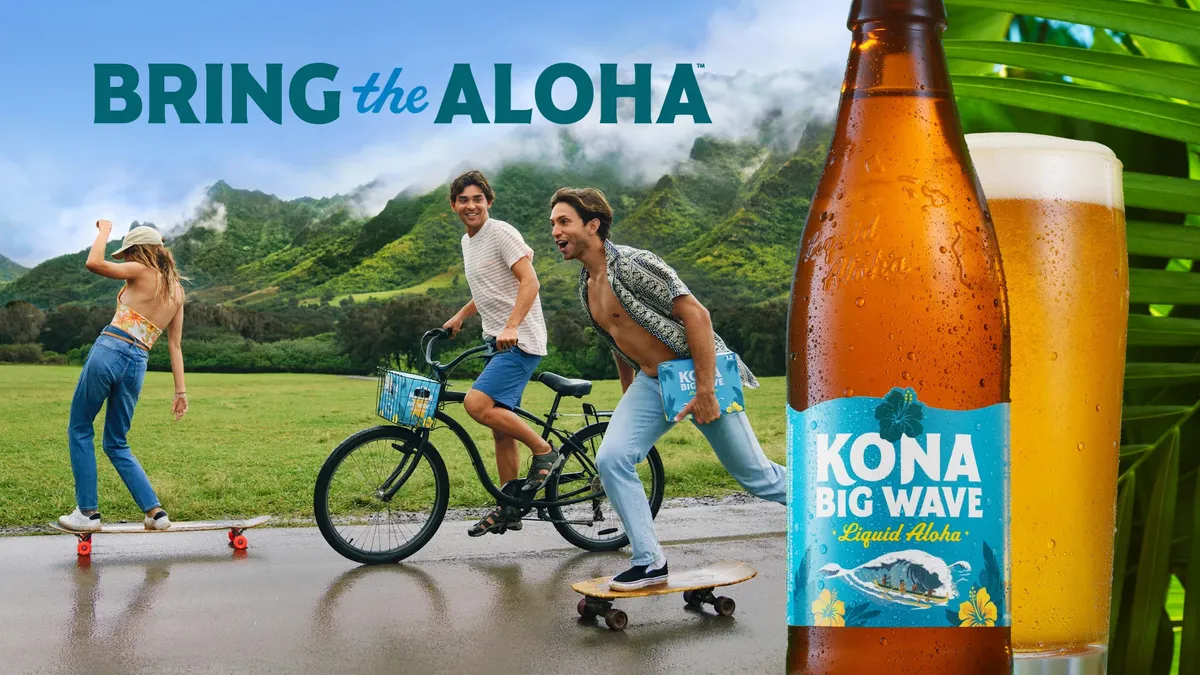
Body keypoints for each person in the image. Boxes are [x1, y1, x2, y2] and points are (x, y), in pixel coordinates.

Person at [549, 187, 787, 590]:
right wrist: (629, 398)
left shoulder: (635, 265)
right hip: (651, 382)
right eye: (553, 223)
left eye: (563, 222)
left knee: (755, 476)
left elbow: (697, 315)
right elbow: (619, 343)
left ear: (593, 225)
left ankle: (837, 506)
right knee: (612, 458)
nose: (555, 230)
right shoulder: (586, 284)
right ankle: (649, 561)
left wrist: (707, 390)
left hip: (696, 374)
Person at [440, 170, 558, 537]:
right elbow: (491, 288)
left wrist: (511, 326)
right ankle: (511, 507)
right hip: (498, 339)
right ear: (454, 205)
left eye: (478, 199)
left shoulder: (501, 233)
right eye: (464, 200)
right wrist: (461, 316)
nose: (471, 205)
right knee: (499, 427)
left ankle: (545, 452)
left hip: (519, 341)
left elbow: (530, 281)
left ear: (489, 202)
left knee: (477, 405)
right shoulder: (468, 241)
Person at [58, 221, 189, 533]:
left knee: (79, 428)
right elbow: (175, 345)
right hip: (138, 362)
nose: (127, 257)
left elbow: (94, 262)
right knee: (116, 442)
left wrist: (104, 229)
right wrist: (180, 392)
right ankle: (155, 513)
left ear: (139, 250)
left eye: (129, 251)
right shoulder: (177, 291)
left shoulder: (140, 270)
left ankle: (87, 514)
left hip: (111, 348)